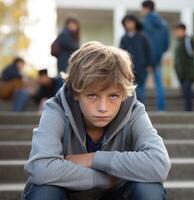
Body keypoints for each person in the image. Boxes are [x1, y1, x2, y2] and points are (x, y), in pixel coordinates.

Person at [22, 41, 171, 200]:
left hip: (115, 195)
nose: (103, 107)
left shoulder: (134, 110)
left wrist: (93, 159)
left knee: (149, 189)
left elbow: (159, 164)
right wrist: (105, 180)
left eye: (113, 96)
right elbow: (41, 168)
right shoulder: (56, 109)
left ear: (123, 95)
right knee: (44, 192)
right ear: (76, 92)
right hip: (68, 193)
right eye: (92, 95)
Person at [141, 0, 169, 111]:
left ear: (147, 8)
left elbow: (143, 42)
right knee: (159, 85)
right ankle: (161, 109)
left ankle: (139, 111)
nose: (141, 11)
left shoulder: (144, 22)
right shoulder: (163, 23)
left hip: (146, 59)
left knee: (141, 84)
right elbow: (166, 45)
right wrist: (159, 54)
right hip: (158, 58)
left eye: (142, 9)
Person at [120, 15, 154, 103]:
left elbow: (148, 51)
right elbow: (120, 53)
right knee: (129, 90)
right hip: (127, 69)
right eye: (127, 23)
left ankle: (140, 111)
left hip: (141, 68)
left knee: (141, 90)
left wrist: (149, 64)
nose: (129, 24)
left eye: (131, 22)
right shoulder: (124, 38)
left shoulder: (142, 37)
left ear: (135, 23)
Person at [173, 22, 194, 111]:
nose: (177, 33)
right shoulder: (179, 42)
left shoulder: (187, 40)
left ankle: (189, 109)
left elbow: (191, 54)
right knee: (185, 89)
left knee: (187, 89)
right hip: (181, 72)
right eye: (176, 31)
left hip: (188, 71)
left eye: (179, 31)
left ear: (183, 31)